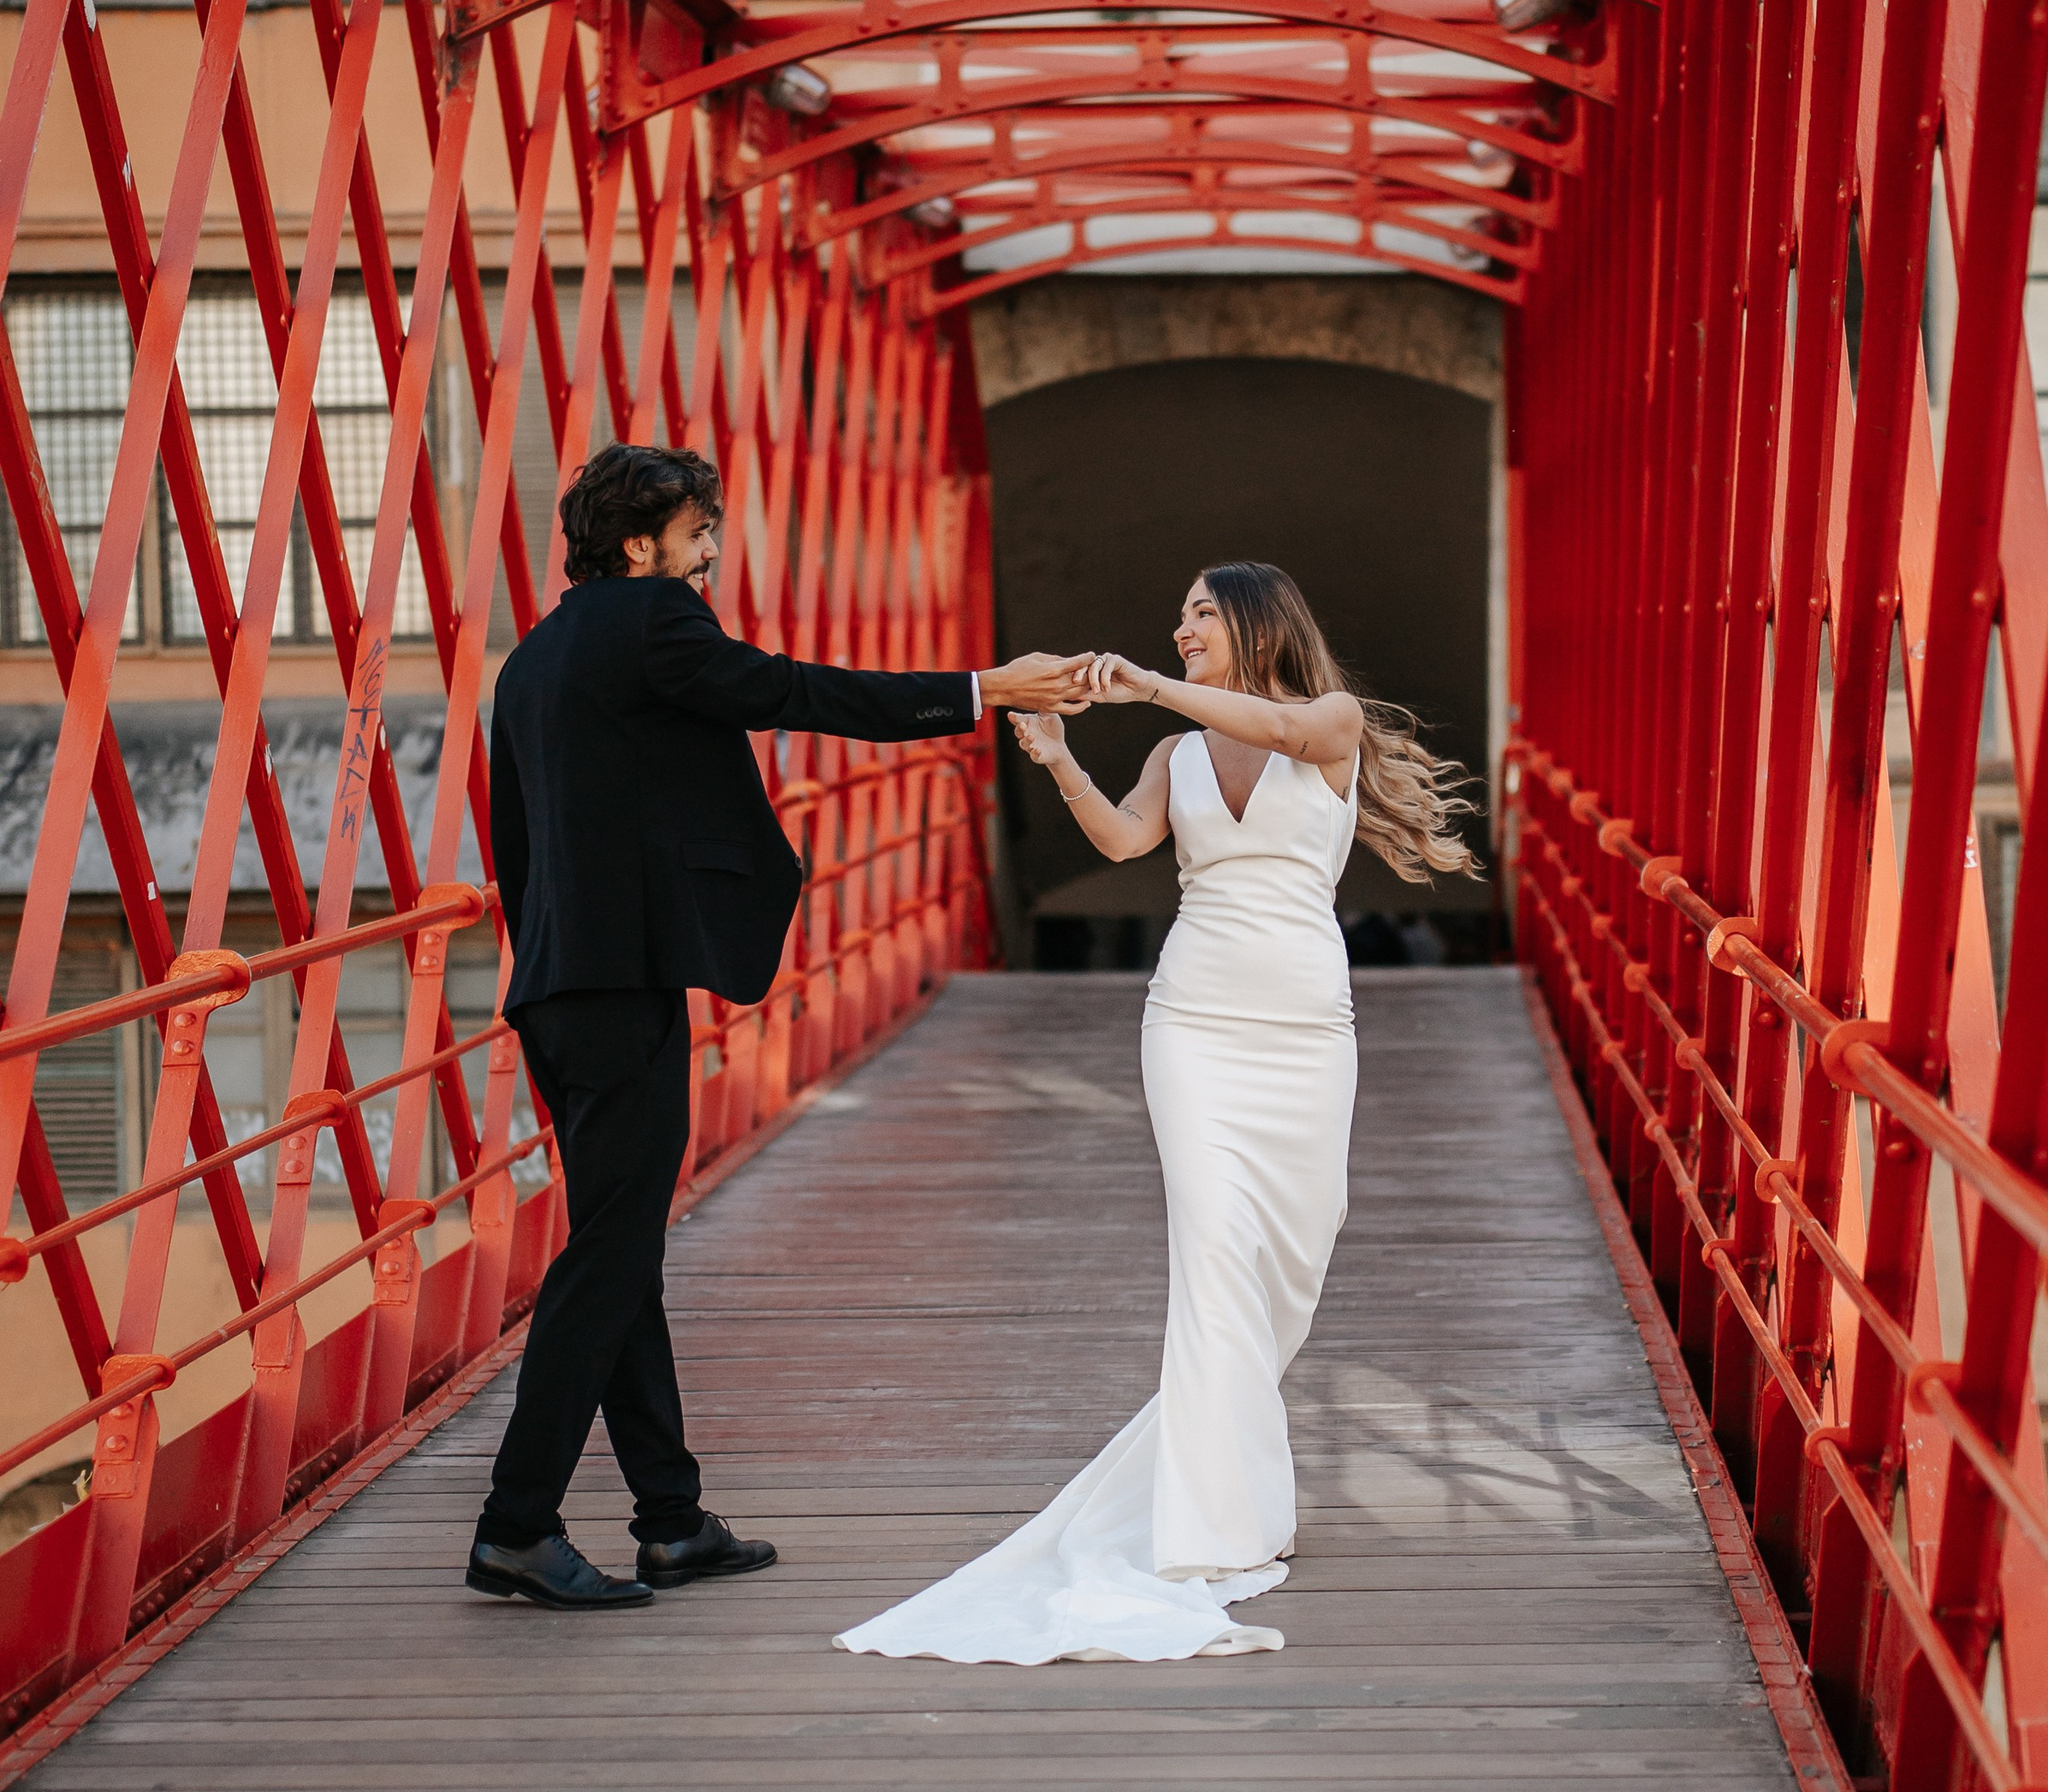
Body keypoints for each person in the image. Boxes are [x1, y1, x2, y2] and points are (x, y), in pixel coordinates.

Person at [472, 441, 1088, 1613]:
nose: (711, 552)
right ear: (641, 545)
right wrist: (984, 690)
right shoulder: (655, 620)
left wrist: (564, 956)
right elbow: (795, 692)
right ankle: (515, 1524)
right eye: (697, 533)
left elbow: (516, 839)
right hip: (617, 988)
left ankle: (670, 1520)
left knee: (621, 1246)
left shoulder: (535, 657)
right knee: (608, 1256)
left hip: (558, 984)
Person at [838, 561, 1476, 1664]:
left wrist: (1146, 685)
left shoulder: (1329, 722)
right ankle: (1219, 1523)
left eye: (1202, 614)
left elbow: (1279, 731)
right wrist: (1060, 758)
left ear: (1258, 625)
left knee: (1293, 1262)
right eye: (1178, 617)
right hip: (1193, 1024)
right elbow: (1126, 842)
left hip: (1306, 1035)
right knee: (1215, 1253)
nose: (1182, 629)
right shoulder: (1173, 754)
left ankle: (1228, 1485)